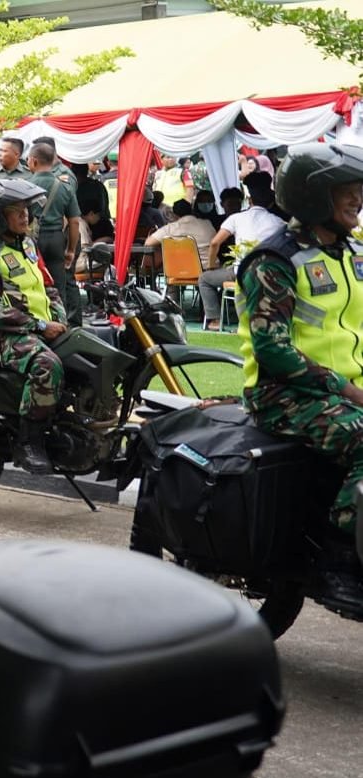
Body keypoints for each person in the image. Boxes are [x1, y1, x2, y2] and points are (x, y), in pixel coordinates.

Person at [238, 142, 363, 611]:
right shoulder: (275, 260)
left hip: (344, 389)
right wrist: (346, 389)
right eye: (346, 191)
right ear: (313, 198)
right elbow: (274, 350)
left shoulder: (351, 253)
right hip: (283, 393)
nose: (358, 199)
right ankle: (336, 556)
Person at [0, 179, 64, 474]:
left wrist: (60, 318)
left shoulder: (28, 245)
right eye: (15, 210)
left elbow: (49, 287)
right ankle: (29, 441)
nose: (25, 216)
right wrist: (40, 325)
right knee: (48, 365)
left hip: (37, 327)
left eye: (26, 209)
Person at [198, 176, 285, 330]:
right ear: (271, 203)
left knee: (205, 279)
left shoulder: (236, 218)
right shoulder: (279, 222)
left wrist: (211, 267)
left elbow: (215, 242)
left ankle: (215, 320)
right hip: (270, 272)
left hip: (240, 270)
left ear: (249, 200)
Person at [27, 142, 83, 324]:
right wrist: (71, 250)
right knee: (59, 287)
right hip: (56, 239)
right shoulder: (64, 186)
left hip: (32, 241)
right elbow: (74, 222)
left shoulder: (25, 186)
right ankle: (61, 325)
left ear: (33, 161)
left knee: (33, 283)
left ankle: (39, 323)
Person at [145, 198, 217, 270]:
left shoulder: (170, 228)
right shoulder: (207, 223)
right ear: (192, 210)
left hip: (181, 272)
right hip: (210, 269)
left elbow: (148, 243)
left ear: (174, 214)